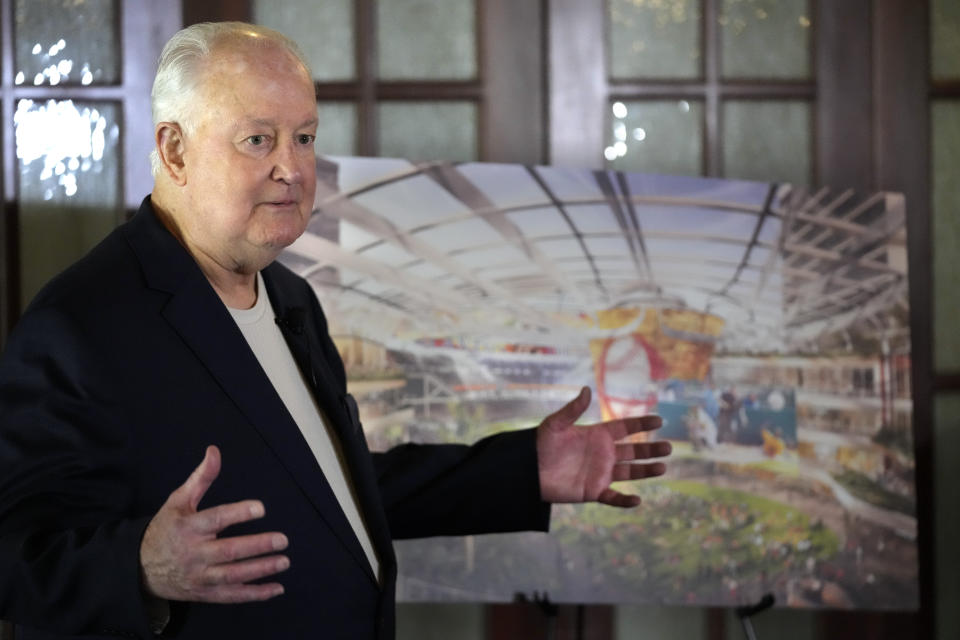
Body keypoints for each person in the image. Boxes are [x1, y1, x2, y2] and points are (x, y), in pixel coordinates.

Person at [0, 22, 671, 639]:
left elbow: (329, 490)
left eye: (305, 138)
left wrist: (523, 470)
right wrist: (142, 569)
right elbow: (16, 560)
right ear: (174, 150)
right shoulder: (82, 325)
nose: (291, 169)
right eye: (257, 139)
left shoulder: (289, 296)